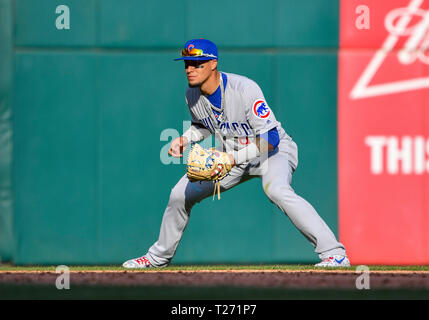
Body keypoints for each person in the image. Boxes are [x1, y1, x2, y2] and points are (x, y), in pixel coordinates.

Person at [122, 39, 350, 268]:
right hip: (232, 154)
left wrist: (231, 159)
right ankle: (157, 258)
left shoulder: (244, 89)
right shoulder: (192, 94)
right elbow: (203, 125)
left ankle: (334, 253)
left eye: (196, 63)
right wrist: (185, 139)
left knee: (278, 191)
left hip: (273, 152)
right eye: (186, 64)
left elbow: (270, 140)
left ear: (213, 63)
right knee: (179, 195)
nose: (189, 69)